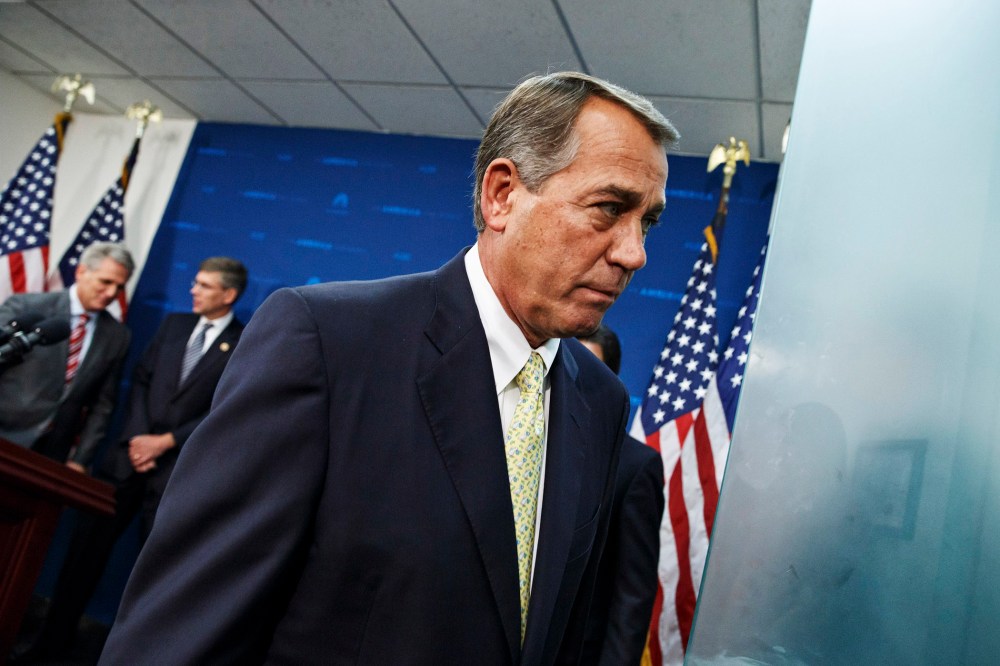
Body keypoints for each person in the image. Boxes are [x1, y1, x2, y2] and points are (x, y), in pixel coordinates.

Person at [100, 71, 678, 665]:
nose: (633, 253)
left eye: (648, 223)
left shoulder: (601, 403)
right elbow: (182, 632)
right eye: (608, 208)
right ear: (502, 195)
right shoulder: (326, 343)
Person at [13, 257, 248, 662]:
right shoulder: (174, 326)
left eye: (204, 285)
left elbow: (226, 407)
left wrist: (166, 442)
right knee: (80, 561)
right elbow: (140, 380)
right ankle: (48, 646)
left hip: (174, 473)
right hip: (124, 464)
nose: (193, 289)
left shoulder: (244, 342)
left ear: (228, 295)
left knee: (153, 577)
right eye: (195, 281)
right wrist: (140, 437)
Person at [0, 241, 133, 470]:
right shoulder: (27, 308)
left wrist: (80, 459)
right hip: (5, 433)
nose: (111, 293)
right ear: (81, 271)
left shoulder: (117, 336)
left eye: (119, 287)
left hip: (52, 453)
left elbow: (103, 404)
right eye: (106, 282)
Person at [577, 324, 665, 665]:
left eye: (587, 370)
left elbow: (633, 596)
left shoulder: (635, 467)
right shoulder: (526, 445)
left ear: (608, 382)